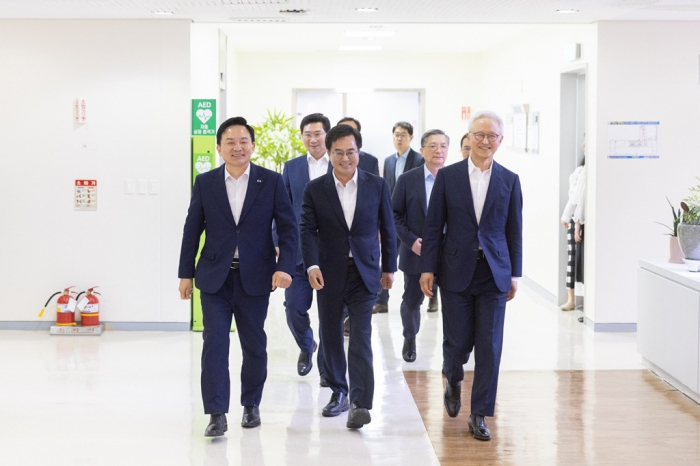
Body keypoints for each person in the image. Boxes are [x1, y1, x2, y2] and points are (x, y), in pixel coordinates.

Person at [178, 117, 298, 436]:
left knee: (253, 344)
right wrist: (184, 274)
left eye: (243, 141)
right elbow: (192, 230)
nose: (237, 147)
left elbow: (288, 228)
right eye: (230, 141)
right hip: (215, 278)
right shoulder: (205, 183)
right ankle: (216, 412)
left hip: (255, 277)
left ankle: (251, 404)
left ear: (253, 146)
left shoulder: (271, 182)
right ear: (219, 148)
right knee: (214, 343)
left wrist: (285, 266)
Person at [419, 110, 523, 441]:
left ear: (500, 141)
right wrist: (428, 268)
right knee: (458, 341)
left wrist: (515, 273)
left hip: (493, 272)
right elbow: (433, 226)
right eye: (479, 135)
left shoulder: (509, 180)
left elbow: (514, 231)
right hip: (455, 270)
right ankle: (452, 377)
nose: (485, 141)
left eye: (492, 136)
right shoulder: (448, 177)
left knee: (490, 347)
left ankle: (479, 414)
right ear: (468, 137)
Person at [300, 124, 397, 429]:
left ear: (359, 152)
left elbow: (388, 228)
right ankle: (338, 391)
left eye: (351, 152)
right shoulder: (315, 189)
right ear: (328, 154)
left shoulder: (376, 185)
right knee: (329, 334)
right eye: (338, 152)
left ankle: (360, 402)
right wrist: (312, 266)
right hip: (328, 273)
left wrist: (389, 267)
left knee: (360, 335)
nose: (345, 158)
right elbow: (307, 230)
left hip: (364, 273)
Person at [281, 113, 332, 387]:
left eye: (318, 134)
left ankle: (326, 367)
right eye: (307, 134)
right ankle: (306, 343)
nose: (312, 139)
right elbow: (282, 209)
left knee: (330, 313)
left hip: (330, 253)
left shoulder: (340, 163)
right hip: (299, 252)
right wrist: (279, 243)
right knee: (294, 308)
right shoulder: (291, 168)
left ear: (327, 134)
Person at [392, 129, 448, 362]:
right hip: (416, 251)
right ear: (422, 150)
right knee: (412, 300)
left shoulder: (455, 178)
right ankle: (410, 337)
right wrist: (410, 240)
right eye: (433, 146)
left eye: (443, 146)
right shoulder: (407, 179)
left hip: (449, 253)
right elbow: (394, 215)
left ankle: (452, 348)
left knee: (454, 302)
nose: (438, 150)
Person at [374, 121, 425, 314]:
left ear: (411, 137)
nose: (399, 138)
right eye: (396, 134)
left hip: (411, 223)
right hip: (391, 218)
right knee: (387, 259)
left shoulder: (419, 159)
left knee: (412, 263)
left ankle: (419, 298)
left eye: (403, 134)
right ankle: (382, 300)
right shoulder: (388, 161)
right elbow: (386, 190)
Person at [559, 146, 586, 311]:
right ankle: (571, 299)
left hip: (580, 220)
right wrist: (568, 217)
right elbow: (575, 197)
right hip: (575, 219)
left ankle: (583, 300)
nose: (583, 146)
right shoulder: (580, 171)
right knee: (572, 260)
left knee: (582, 263)